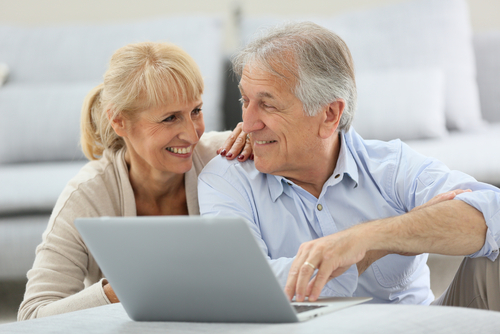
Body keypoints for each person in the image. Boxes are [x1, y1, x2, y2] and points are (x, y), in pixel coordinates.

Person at [198, 21, 500, 309]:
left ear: (329, 114)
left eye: (268, 104)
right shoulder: (226, 178)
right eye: (245, 101)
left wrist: (369, 237)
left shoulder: (391, 166)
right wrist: (367, 253)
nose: (247, 123)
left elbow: (491, 212)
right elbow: (241, 285)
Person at [18, 41, 252, 320]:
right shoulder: (87, 197)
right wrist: (115, 292)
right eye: (169, 118)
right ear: (119, 121)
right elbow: (32, 315)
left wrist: (263, 140)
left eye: (196, 111)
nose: (192, 134)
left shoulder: (224, 155)